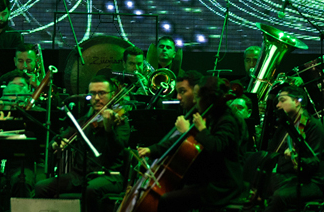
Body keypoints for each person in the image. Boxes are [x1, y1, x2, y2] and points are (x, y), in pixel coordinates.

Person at [34, 75, 131, 212]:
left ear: (112, 95)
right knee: (41, 187)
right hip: (79, 176)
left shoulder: (120, 122)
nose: (97, 98)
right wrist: (57, 143)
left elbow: (117, 150)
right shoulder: (84, 121)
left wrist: (109, 130)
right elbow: (59, 138)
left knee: (91, 189)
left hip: (109, 175)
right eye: (92, 93)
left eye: (101, 93)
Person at [152, 76, 247, 212]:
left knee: (167, 199)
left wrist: (200, 130)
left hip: (222, 185)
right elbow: (181, 142)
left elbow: (216, 147)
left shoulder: (227, 120)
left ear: (208, 98)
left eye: (197, 96)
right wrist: (151, 150)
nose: (195, 101)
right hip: (208, 180)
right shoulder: (210, 116)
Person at [259, 84, 324, 212]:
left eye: (282, 101)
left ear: (297, 101)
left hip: (311, 182)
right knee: (256, 186)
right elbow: (272, 151)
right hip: (289, 176)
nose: (277, 105)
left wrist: (295, 156)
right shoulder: (286, 125)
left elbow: (314, 163)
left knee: (279, 196)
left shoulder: (313, 126)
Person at [137, 70, 202, 160]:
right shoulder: (188, 114)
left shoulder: (204, 118)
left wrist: (186, 133)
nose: (178, 97)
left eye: (182, 91)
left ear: (196, 91)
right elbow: (173, 141)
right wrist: (151, 150)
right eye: (178, 92)